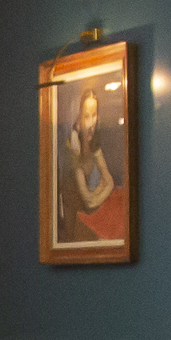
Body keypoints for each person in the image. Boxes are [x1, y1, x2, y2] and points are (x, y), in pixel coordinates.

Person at [54, 83, 128, 244]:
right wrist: (100, 192)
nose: (91, 122)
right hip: (74, 218)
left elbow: (109, 180)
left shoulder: (93, 139)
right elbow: (88, 201)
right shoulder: (72, 146)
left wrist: (96, 194)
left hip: (89, 211)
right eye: (86, 116)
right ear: (78, 118)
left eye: (94, 115)